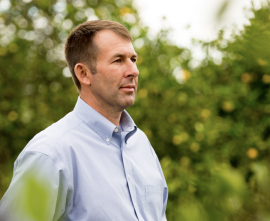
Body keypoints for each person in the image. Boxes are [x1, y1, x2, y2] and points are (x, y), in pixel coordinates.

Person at [0, 20, 168, 221]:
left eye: (133, 59)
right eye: (118, 60)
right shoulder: (49, 154)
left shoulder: (141, 144)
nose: (134, 71)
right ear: (83, 73)